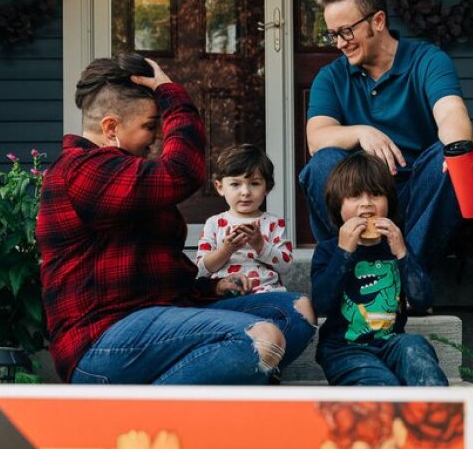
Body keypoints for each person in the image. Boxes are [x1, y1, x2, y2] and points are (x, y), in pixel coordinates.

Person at [36, 51, 316, 385]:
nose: (157, 139)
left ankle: (206, 389)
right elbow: (182, 171)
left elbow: (158, 278)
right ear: (111, 127)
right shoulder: (80, 171)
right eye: (150, 127)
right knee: (262, 340)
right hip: (102, 341)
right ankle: (140, 419)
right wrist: (170, 92)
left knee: (296, 313)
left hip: (156, 323)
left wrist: (211, 290)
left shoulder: (126, 176)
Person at [299, 0, 473, 270]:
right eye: (332, 34)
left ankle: (406, 275)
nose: (339, 44)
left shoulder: (427, 60)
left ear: (378, 20)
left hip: (418, 200)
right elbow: (316, 138)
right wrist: (362, 132)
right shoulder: (331, 77)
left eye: (346, 32)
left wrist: (459, 147)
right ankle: (352, 272)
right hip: (359, 199)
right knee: (322, 162)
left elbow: (450, 112)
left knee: (449, 156)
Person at [310, 151, 448, 387]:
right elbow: (322, 303)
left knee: (416, 346)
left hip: (392, 342)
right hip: (343, 349)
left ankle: (438, 414)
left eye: (375, 194)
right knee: (382, 385)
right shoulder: (328, 250)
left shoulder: (397, 247)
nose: (366, 204)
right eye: (354, 196)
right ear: (337, 206)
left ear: (389, 202)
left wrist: (402, 253)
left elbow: (423, 300)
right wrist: (344, 252)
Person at [196, 144, 293, 293]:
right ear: (220, 187)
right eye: (235, 184)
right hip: (228, 293)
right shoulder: (214, 223)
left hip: (267, 292)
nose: (245, 192)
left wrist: (260, 245)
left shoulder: (274, 223)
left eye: (254, 184)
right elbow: (201, 270)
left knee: (302, 306)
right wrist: (226, 249)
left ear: (267, 187)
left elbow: (285, 266)